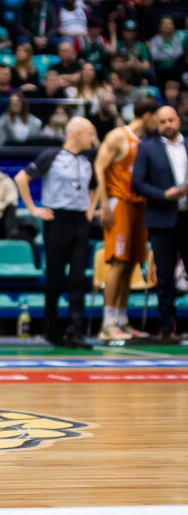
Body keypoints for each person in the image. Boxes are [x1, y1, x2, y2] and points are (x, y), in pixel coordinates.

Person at [15, 117, 98, 349]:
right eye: (91, 133)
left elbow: (99, 184)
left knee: (78, 278)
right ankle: (52, 330)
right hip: (57, 219)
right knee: (55, 278)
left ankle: (75, 332)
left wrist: (91, 208)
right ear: (78, 133)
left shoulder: (88, 159)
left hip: (80, 221)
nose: (93, 139)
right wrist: (33, 208)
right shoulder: (51, 156)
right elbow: (21, 177)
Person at [93, 98, 159, 341]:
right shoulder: (119, 136)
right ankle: (107, 322)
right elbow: (99, 167)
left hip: (139, 205)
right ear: (147, 116)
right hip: (118, 202)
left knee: (132, 263)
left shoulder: (147, 142)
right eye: (157, 118)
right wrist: (104, 203)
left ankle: (122, 320)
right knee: (118, 263)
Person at [132, 106, 188, 342]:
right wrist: (164, 195)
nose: (167, 125)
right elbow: (138, 184)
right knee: (164, 277)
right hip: (161, 219)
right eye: (162, 121)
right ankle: (167, 329)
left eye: (171, 120)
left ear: (178, 120)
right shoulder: (147, 148)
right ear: (157, 123)